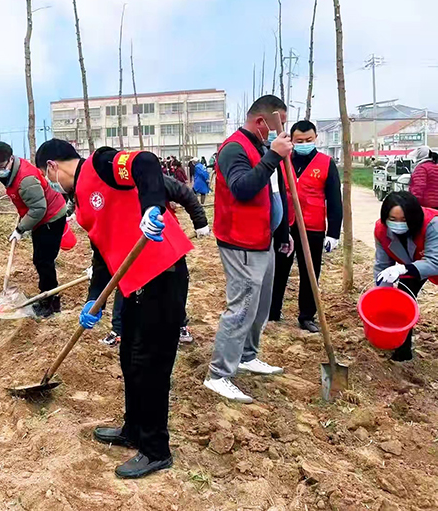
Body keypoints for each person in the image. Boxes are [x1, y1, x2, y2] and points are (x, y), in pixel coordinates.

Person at [36, 139, 194, 479]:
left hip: (162, 272)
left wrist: (151, 207)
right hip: (133, 281)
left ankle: (155, 450)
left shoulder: (101, 164)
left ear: (52, 166)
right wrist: (96, 298)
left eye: (47, 177)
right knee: (130, 358)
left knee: (152, 364)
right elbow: (102, 254)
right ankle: (134, 429)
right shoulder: (79, 203)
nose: (51, 184)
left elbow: (146, 163)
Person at [204, 95, 292, 404]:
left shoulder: (261, 148)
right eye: (277, 125)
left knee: (260, 305)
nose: (280, 133)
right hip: (240, 241)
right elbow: (242, 189)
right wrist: (273, 159)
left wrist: (282, 232)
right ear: (260, 122)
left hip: (262, 238)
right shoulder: (234, 149)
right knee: (241, 307)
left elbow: (272, 193)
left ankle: (247, 355)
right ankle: (218, 374)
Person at [100, 174, 209, 347]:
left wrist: (200, 222)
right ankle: (119, 330)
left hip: (165, 237)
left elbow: (185, 194)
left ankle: (180, 325)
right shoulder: (108, 187)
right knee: (126, 284)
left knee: (177, 282)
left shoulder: (151, 177)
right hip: (131, 244)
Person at [269, 120, 343, 333]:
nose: (304, 143)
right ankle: (273, 311)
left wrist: (333, 233)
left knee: (310, 272)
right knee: (279, 269)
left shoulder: (326, 163)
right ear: (291, 140)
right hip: (285, 224)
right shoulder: (282, 161)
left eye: (308, 140)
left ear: (315, 138)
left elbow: (334, 200)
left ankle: (306, 316)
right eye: (299, 140)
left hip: (313, 227)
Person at [0, 142, 67, 318]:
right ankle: (47, 296)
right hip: (40, 217)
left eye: (1, 167)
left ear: (10, 159)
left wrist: (20, 229)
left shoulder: (26, 179)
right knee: (41, 259)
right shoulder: (13, 171)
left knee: (43, 261)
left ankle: (51, 303)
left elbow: (38, 209)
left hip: (50, 218)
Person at [374, 191, 438, 361]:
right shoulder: (381, 231)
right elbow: (382, 266)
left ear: (413, 217)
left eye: (404, 220)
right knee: (402, 301)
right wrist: (381, 296)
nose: (398, 224)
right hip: (411, 266)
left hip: (427, 262)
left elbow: (434, 263)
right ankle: (402, 350)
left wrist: (402, 269)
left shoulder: (431, 224)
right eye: (392, 219)